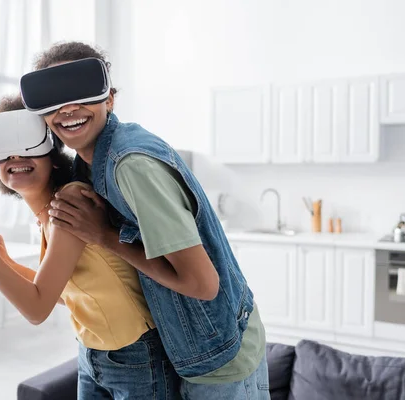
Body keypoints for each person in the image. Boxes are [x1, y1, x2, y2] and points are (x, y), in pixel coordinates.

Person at [26, 42, 270, 399]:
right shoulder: (87, 165)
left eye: (82, 93)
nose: (68, 109)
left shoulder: (131, 165)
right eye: (54, 100)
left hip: (218, 354)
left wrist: (106, 236)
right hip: (179, 348)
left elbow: (203, 284)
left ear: (109, 98)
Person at [0, 95, 181, 399]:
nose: (16, 159)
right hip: (93, 354)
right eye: (5, 154)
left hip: (137, 357)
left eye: (27, 147)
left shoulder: (71, 203)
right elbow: (62, 295)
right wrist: (5, 260)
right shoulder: (47, 213)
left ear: (52, 151)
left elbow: (37, 309)